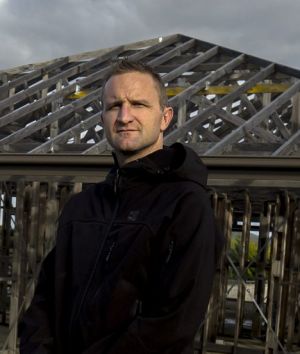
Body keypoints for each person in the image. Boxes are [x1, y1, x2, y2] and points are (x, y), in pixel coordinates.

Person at [19, 59, 222, 354]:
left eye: (139, 104)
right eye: (114, 106)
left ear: (165, 118)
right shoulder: (81, 207)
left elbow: (170, 325)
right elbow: (44, 301)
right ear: (102, 117)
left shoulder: (186, 205)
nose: (125, 116)